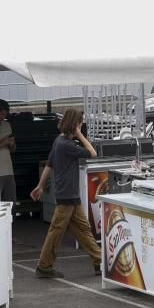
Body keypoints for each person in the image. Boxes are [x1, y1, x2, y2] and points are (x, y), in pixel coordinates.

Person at [29, 108, 101, 278]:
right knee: (56, 230)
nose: (82, 125)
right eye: (80, 123)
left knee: (83, 229)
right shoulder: (67, 145)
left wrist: (40, 186)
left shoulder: (58, 141)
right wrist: (80, 135)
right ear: (76, 125)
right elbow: (93, 153)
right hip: (68, 194)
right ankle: (44, 266)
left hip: (68, 194)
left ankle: (99, 260)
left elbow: (49, 165)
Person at [0, 99, 16, 204]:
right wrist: (3, 143)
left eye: (5, 114)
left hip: (8, 169)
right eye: (2, 114)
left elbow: (13, 150)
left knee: (10, 200)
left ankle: (11, 219)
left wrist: (12, 144)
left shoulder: (7, 125)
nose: (3, 117)